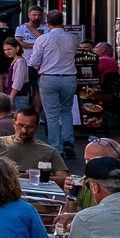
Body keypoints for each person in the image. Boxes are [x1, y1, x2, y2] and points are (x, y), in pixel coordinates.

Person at [31, 10, 80, 155]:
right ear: (62, 22)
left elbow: (34, 60)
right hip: (69, 76)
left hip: (49, 76)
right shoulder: (73, 38)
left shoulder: (43, 39)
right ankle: (68, 141)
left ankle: (56, 147)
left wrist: (40, 68)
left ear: (47, 23)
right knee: (66, 110)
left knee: (51, 114)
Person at [68, 138, 120, 209]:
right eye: (87, 160)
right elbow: (68, 219)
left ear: (116, 161)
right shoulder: (84, 181)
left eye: (94, 161)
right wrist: (72, 196)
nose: (88, 165)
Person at [0, 107, 64, 178]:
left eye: (30, 127)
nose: (24, 130)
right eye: (20, 125)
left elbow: (63, 178)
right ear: (14, 123)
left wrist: (38, 177)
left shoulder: (49, 151)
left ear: (37, 126)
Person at [0, 38, 33, 113]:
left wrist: (11, 97)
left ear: (17, 48)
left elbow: (18, 82)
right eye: (5, 50)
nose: (7, 52)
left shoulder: (20, 62)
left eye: (9, 49)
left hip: (18, 97)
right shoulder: (15, 61)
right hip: (14, 96)